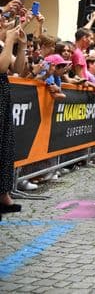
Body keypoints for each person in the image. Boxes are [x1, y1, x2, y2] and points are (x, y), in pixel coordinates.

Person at [1, 13, 27, 216]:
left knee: (5, 146)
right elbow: (1, 67)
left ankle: (3, 194)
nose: (4, 20)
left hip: (3, 95)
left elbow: (18, 69)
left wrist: (22, 46)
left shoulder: (2, 42)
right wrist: (8, 39)